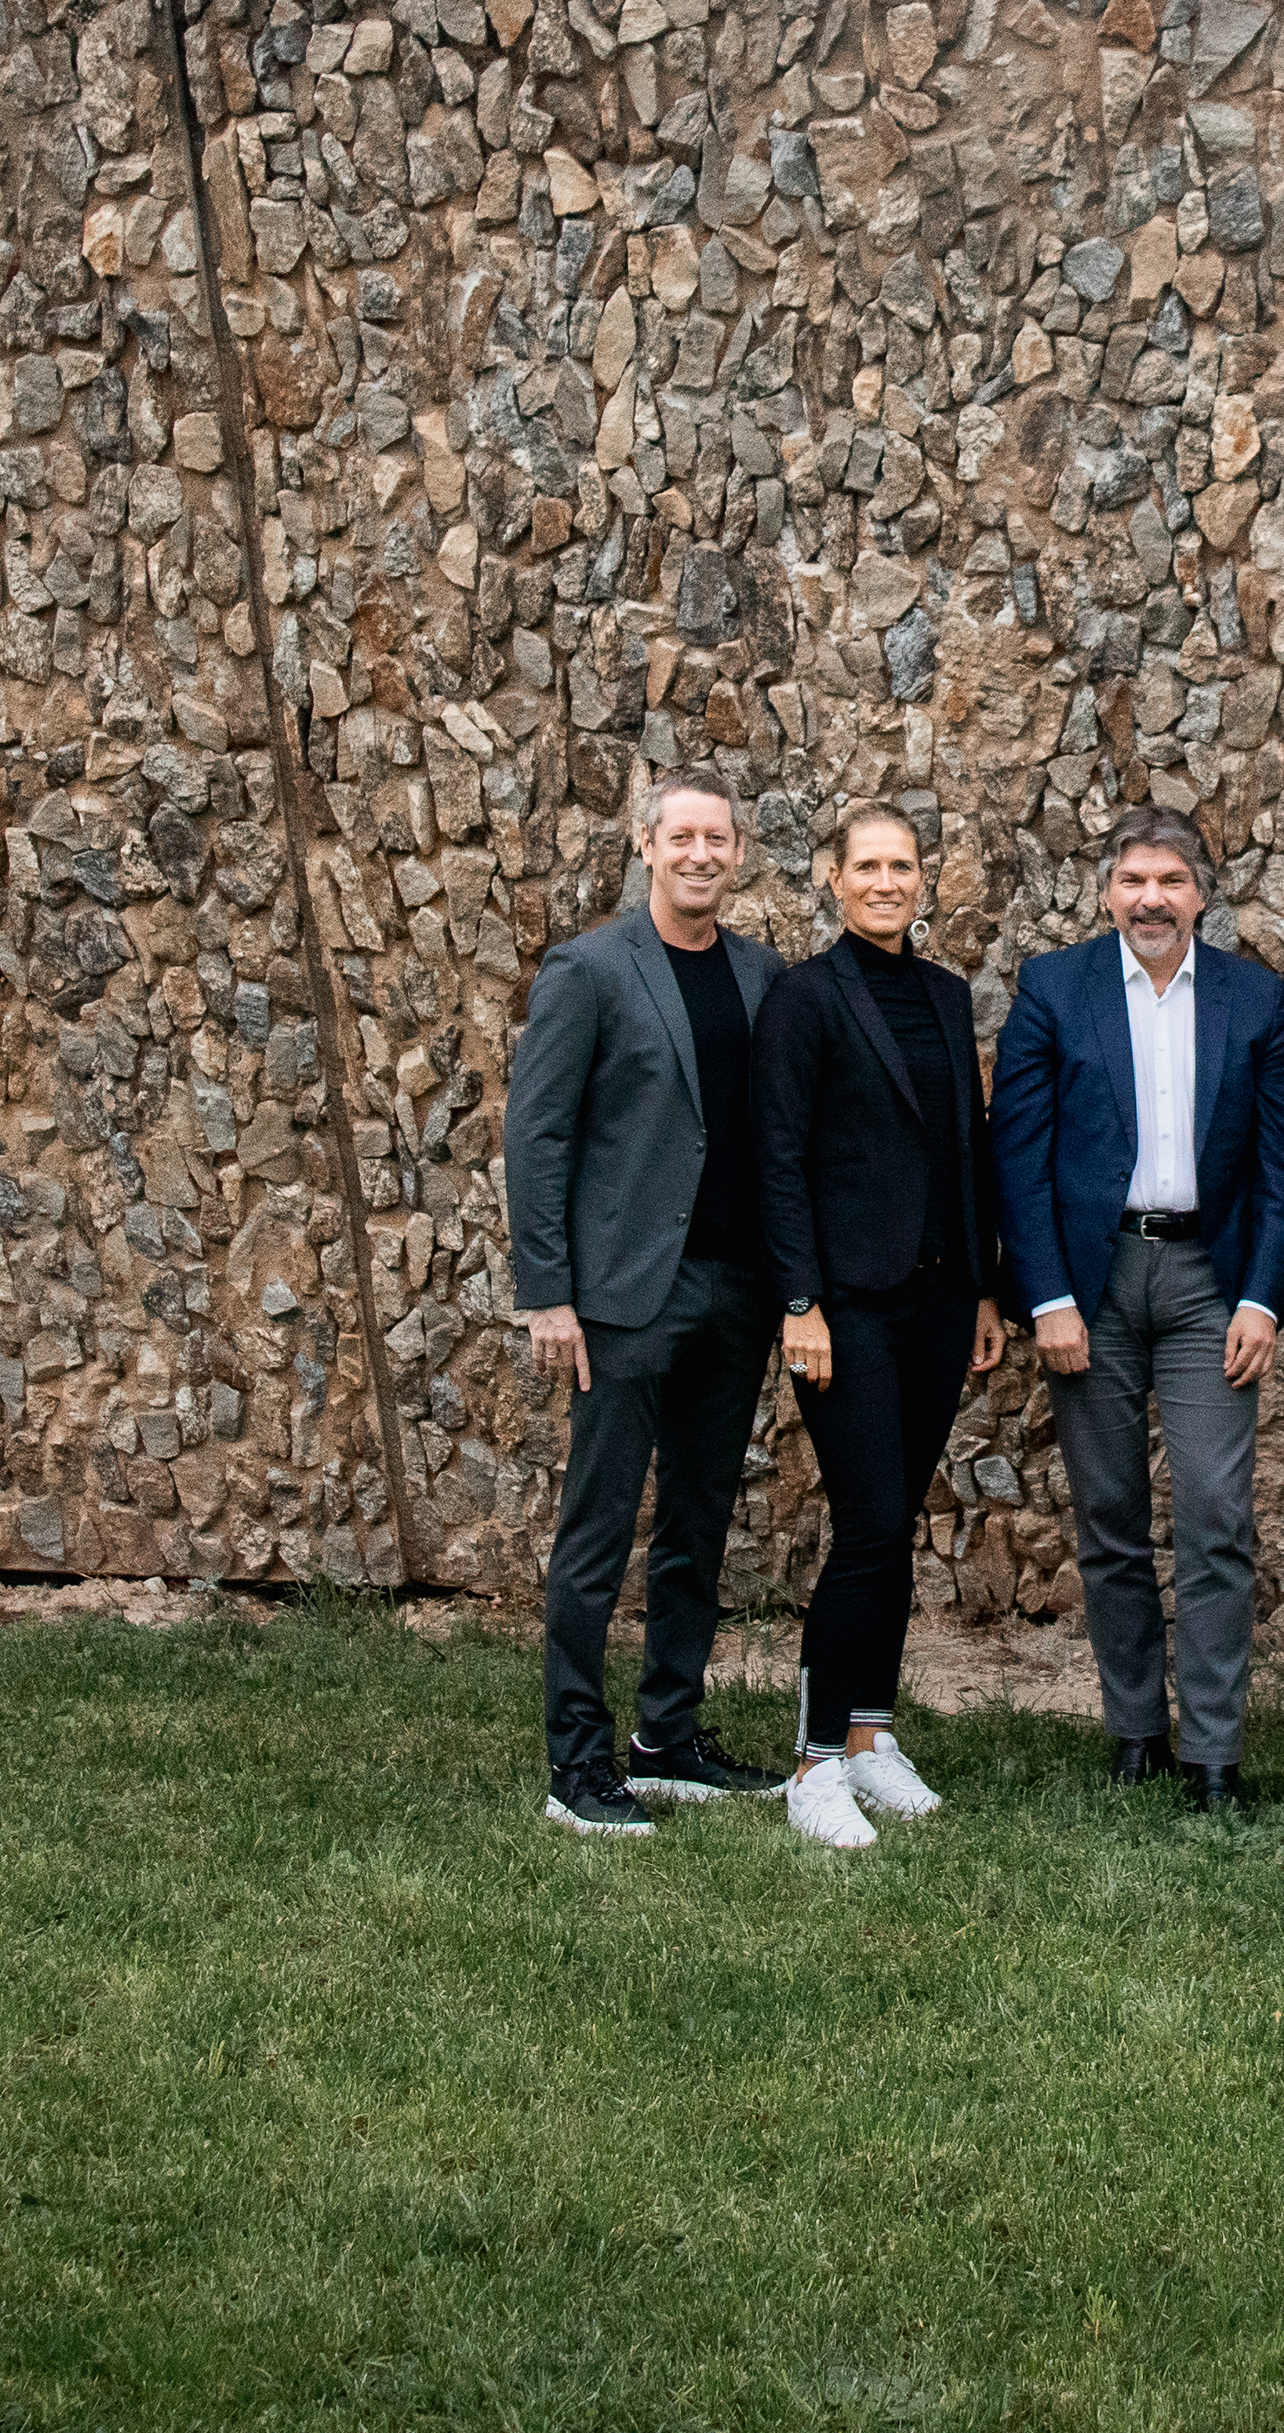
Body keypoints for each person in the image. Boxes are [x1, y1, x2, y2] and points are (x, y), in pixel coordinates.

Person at [990, 808, 1284, 1814]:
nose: (1151, 898)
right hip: (1092, 1283)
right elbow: (1017, 1155)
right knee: (1111, 1516)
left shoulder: (1252, 998)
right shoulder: (1054, 988)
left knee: (1215, 1515)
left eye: (1170, 879)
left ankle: (1213, 1752)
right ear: (1106, 893)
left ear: (1200, 894)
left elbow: (1281, 1165)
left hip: (1211, 1280)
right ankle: (1136, 1732)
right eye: (1132, 880)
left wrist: (1263, 1297)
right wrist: (1045, 1296)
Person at [502, 772, 786, 1835]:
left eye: (718, 837)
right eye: (683, 837)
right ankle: (575, 1766)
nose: (700, 854)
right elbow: (536, 1135)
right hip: (623, 1298)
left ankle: (667, 1738)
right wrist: (548, 1295)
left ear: (739, 851)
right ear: (647, 845)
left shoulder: (762, 974)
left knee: (697, 1523)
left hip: (734, 1289)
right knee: (597, 1528)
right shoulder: (589, 970)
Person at [751, 801, 1009, 1851]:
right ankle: (814, 1763)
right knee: (865, 1524)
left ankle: (868, 1735)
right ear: (834, 877)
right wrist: (798, 1300)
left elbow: (965, 1148)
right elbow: (776, 1155)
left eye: (902, 866)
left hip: (938, 1303)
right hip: (844, 1306)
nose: (886, 882)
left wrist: (984, 1289)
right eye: (867, 865)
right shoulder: (803, 997)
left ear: (921, 880)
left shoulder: (945, 994)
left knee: (895, 1519)